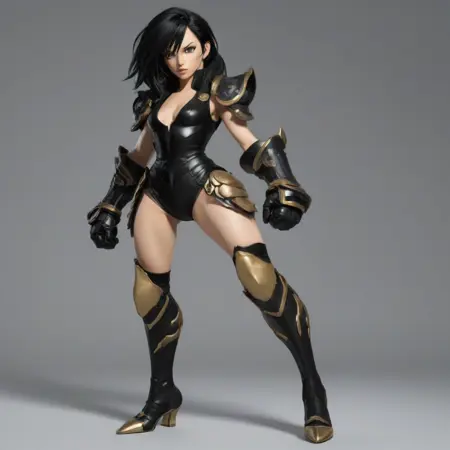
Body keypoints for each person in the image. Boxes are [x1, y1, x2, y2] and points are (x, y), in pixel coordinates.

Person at [87, 6, 333, 444]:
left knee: (258, 276)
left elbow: (253, 144)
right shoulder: (156, 101)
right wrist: (110, 205)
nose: (179, 61)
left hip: (203, 184)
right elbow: (139, 158)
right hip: (158, 193)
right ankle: (163, 394)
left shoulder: (217, 94)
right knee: (148, 292)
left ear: (205, 48)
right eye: (170, 53)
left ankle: (313, 389)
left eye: (187, 50)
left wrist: (284, 186)